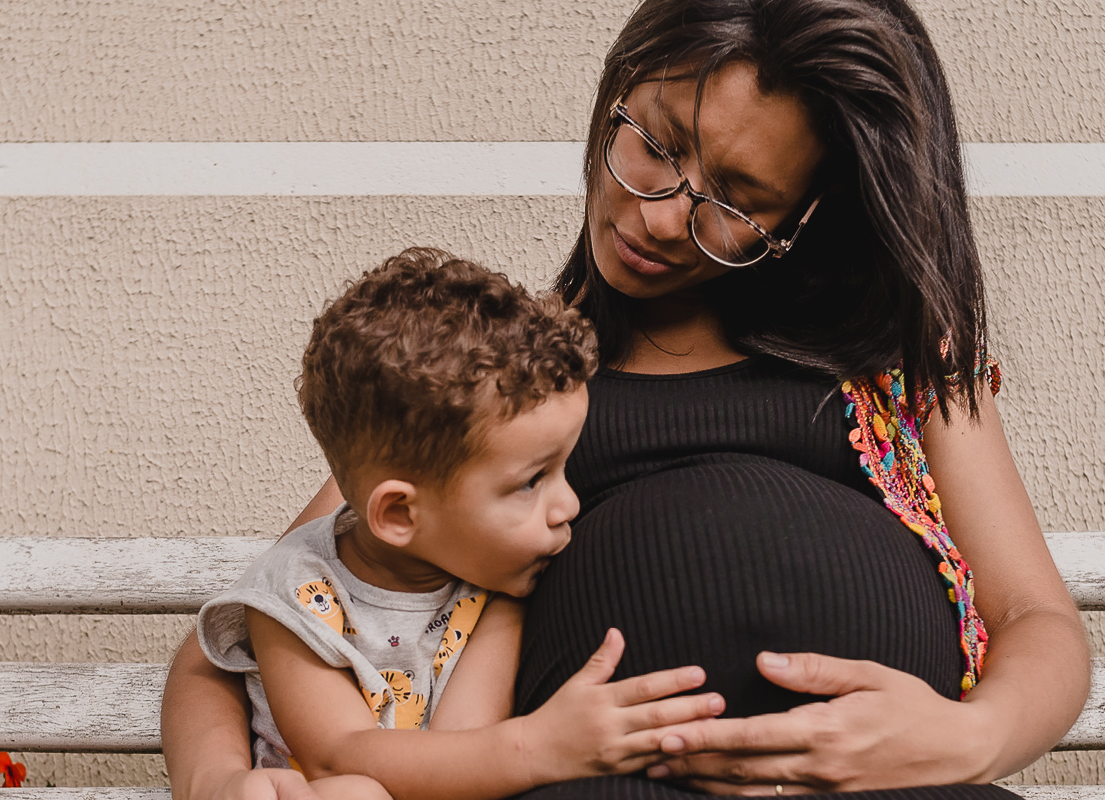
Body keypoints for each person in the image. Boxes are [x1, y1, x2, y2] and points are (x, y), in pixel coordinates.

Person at [161, 0, 1090, 798]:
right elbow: (236, 641)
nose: (657, 216)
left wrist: (966, 739)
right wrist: (221, 782)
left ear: (805, 216)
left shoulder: (892, 365)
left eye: (735, 199)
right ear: (618, 90)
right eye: (656, 143)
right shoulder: (514, 383)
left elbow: (1035, 623)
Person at [193, 248, 721, 800]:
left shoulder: (495, 585)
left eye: (564, 468)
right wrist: (540, 747)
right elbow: (335, 754)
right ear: (400, 514)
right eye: (531, 481)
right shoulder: (295, 595)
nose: (569, 504)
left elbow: (464, 744)